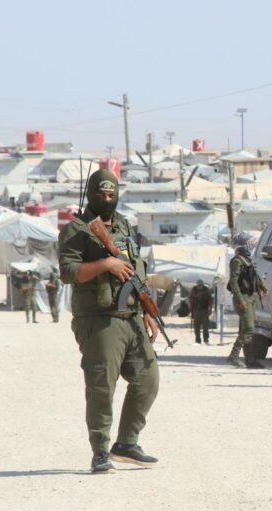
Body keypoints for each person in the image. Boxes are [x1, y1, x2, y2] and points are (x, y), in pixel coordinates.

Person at [58, 168, 160, 473]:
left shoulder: (124, 226)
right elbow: (68, 272)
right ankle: (100, 451)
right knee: (102, 387)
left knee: (148, 379)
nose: (106, 199)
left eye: (111, 194)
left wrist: (147, 309)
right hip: (99, 320)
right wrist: (105, 264)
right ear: (91, 195)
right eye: (101, 194)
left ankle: (127, 443)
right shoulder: (77, 230)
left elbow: (136, 269)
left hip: (132, 317)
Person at [227, 235, 268, 369]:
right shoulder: (237, 261)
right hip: (243, 297)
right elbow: (233, 282)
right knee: (249, 328)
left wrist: (262, 287)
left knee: (249, 329)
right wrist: (240, 299)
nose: (252, 246)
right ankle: (234, 355)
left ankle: (250, 360)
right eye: (249, 243)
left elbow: (253, 276)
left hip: (250, 297)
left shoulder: (247, 260)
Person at [188, 279, 214, 345]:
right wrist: (191, 310)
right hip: (196, 310)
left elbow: (210, 299)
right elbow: (190, 299)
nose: (200, 287)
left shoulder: (206, 290)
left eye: (201, 285)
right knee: (196, 327)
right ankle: (197, 340)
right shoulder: (194, 290)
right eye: (199, 285)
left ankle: (206, 340)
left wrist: (210, 309)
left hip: (204, 310)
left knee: (205, 326)